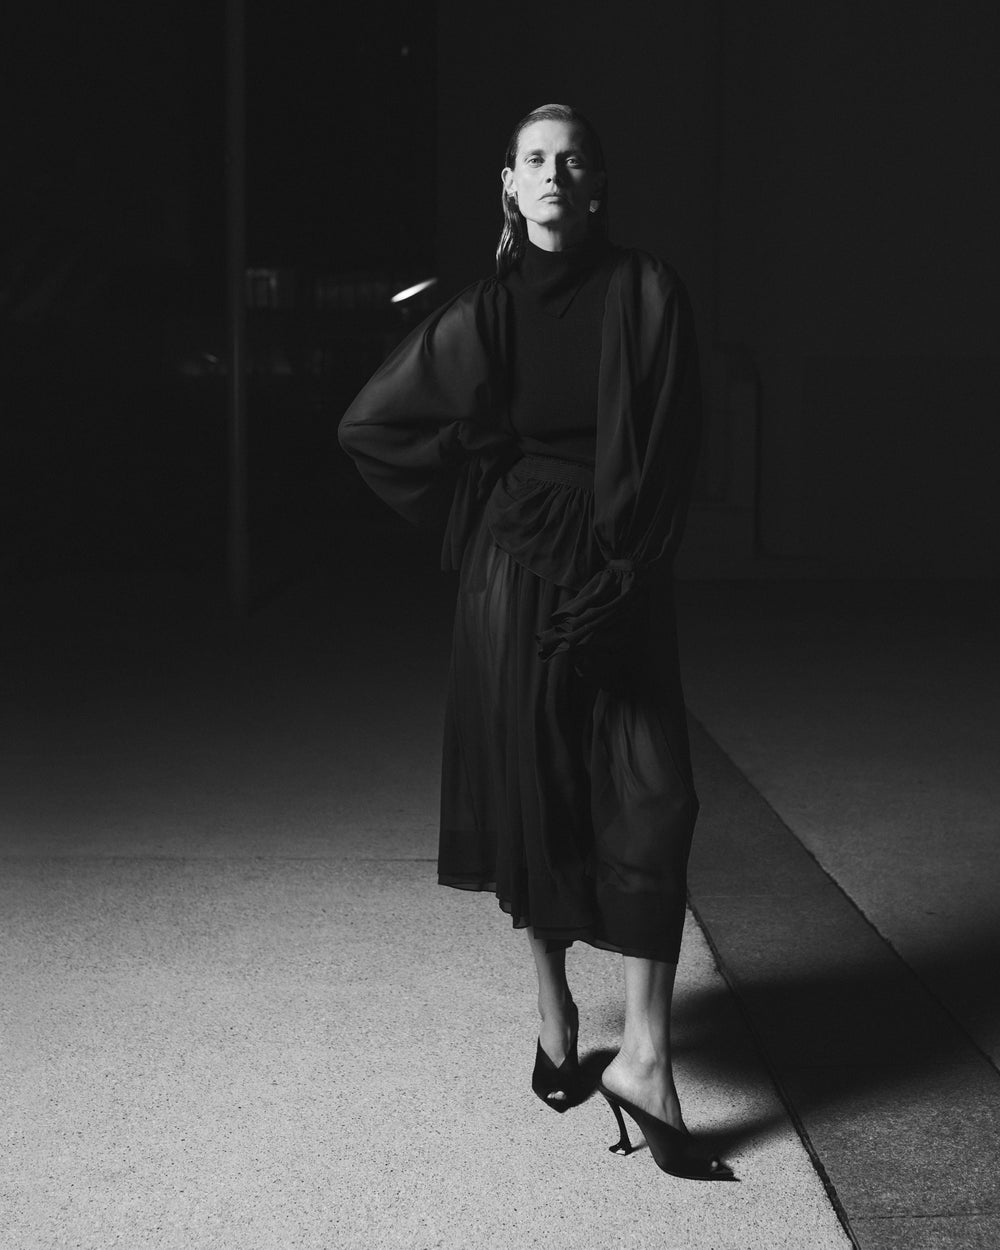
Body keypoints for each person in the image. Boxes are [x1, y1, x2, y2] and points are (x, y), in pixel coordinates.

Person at [339, 103, 733, 1182]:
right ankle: (555, 1015)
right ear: (510, 186)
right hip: (515, 575)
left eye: (572, 159)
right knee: (540, 793)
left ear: (599, 184)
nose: (553, 173)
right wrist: (481, 476)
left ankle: (645, 1056)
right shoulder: (487, 310)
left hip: (620, 566)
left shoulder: (648, 292)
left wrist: (630, 567)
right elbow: (372, 424)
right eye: (533, 160)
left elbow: (677, 446)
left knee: (655, 796)